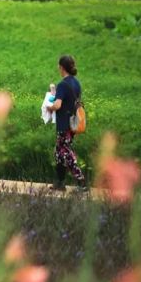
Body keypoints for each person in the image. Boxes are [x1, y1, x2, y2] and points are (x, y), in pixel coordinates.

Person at [46, 55, 88, 191]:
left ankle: (81, 181)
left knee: (66, 152)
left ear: (61, 67)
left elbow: (58, 105)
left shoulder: (63, 84)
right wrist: (55, 92)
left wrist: (49, 107)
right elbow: (70, 100)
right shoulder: (76, 83)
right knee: (59, 153)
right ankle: (60, 183)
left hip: (64, 123)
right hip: (73, 123)